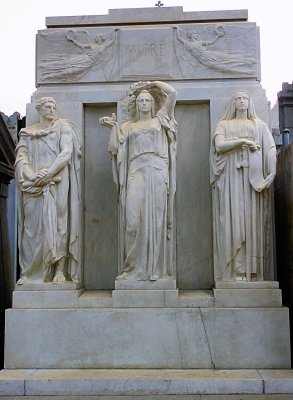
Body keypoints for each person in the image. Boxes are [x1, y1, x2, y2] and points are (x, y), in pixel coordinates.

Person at [100, 81, 177, 281]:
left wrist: (152, 84)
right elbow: (115, 149)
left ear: (153, 104)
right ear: (136, 105)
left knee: (156, 221)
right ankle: (132, 269)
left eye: (147, 100)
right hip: (136, 171)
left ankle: (156, 270)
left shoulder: (161, 119)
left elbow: (172, 93)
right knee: (132, 222)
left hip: (158, 170)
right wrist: (112, 127)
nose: (144, 103)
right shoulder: (128, 126)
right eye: (141, 100)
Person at [210, 91, 276, 282]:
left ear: (249, 102)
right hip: (232, 180)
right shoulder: (224, 125)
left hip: (253, 182)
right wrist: (243, 141)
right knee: (235, 222)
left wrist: (271, 171)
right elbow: (220, 145)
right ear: (233, 103)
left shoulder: (259, 125)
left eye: (245, 98)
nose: (242, 101)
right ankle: (236, 268)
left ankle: (253, 271)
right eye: (238, 99)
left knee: (252, 223)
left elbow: (270, 148)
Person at [15, 97, 82, 284]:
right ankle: (31, 273)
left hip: (58, 181)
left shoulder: (63, 127)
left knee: (60, 222)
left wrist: (49, 173)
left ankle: (59, 270)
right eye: (47, 107)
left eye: (54, 106)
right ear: (39, 110)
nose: (52, 109)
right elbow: (21, 159)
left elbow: (66, 153)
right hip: (34, 185)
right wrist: (33, 175)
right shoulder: (27, 133)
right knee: (32, 228)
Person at [40, 29, 117, 81]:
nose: (96, 39)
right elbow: (81, 45)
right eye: (96, 37)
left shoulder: (104, 46)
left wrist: (115, 30)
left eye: (97, 37)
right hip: (84, 58)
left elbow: (112, 40)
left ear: (101, 38)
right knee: (66, 62)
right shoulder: (91, 45)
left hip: (89, 63)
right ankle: (46, 65)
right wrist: (73, 40)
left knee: (70, 72)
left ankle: (48, 77)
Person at [173, 26, 256, 75]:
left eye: (195, 33)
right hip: (204, 60)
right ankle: (246, 71)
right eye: (193, 33)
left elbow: (211, 42)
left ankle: (248, 60)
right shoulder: (188, 43)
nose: (195, 35)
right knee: (223, 67)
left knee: (228, 57)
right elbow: (179, 37)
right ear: (189, 35)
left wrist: (218, 35)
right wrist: (177, 29)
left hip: (209, 54)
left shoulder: (200, 42)